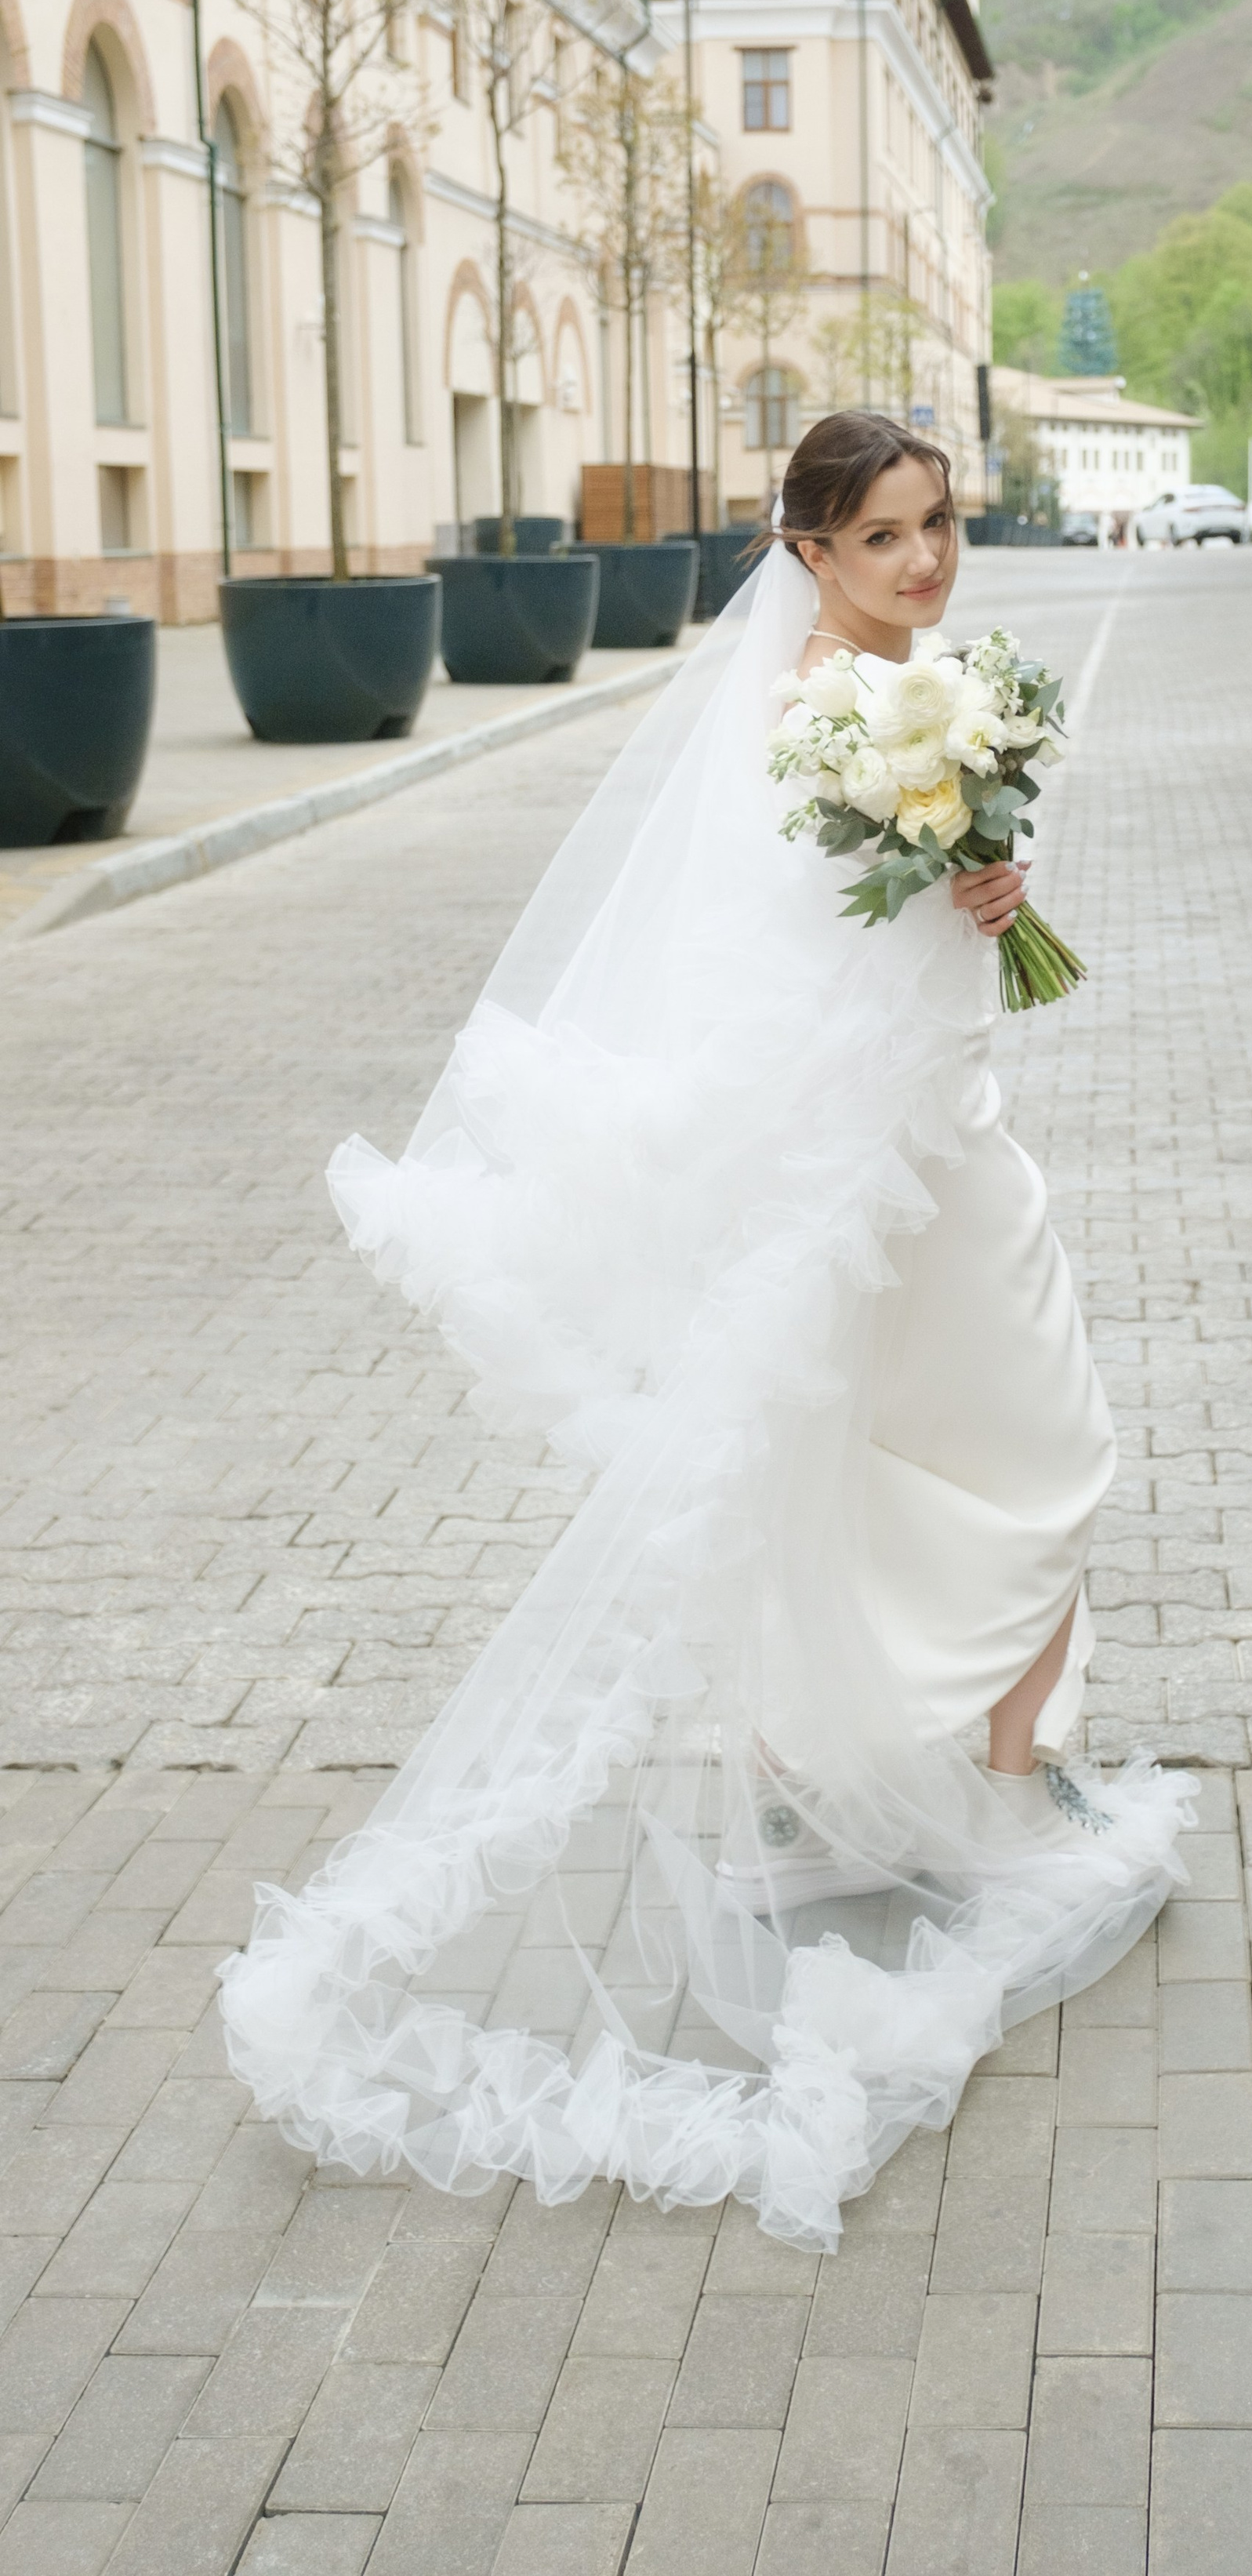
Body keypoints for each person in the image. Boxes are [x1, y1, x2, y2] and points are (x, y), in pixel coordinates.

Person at [219, 411, 1191, 2251]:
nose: (924, 559)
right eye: (885, 534)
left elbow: (898, 927)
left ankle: (829, 1784)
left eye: (938, 522)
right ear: (807, 551)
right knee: (1036, 1443)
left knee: (857, 1460)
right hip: (901, 1168)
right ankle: (993, 1805)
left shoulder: (900, 695)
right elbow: (795, 963)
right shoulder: (823, 716)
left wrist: (987, 887)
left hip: (925, 1151)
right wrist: (953, 884)